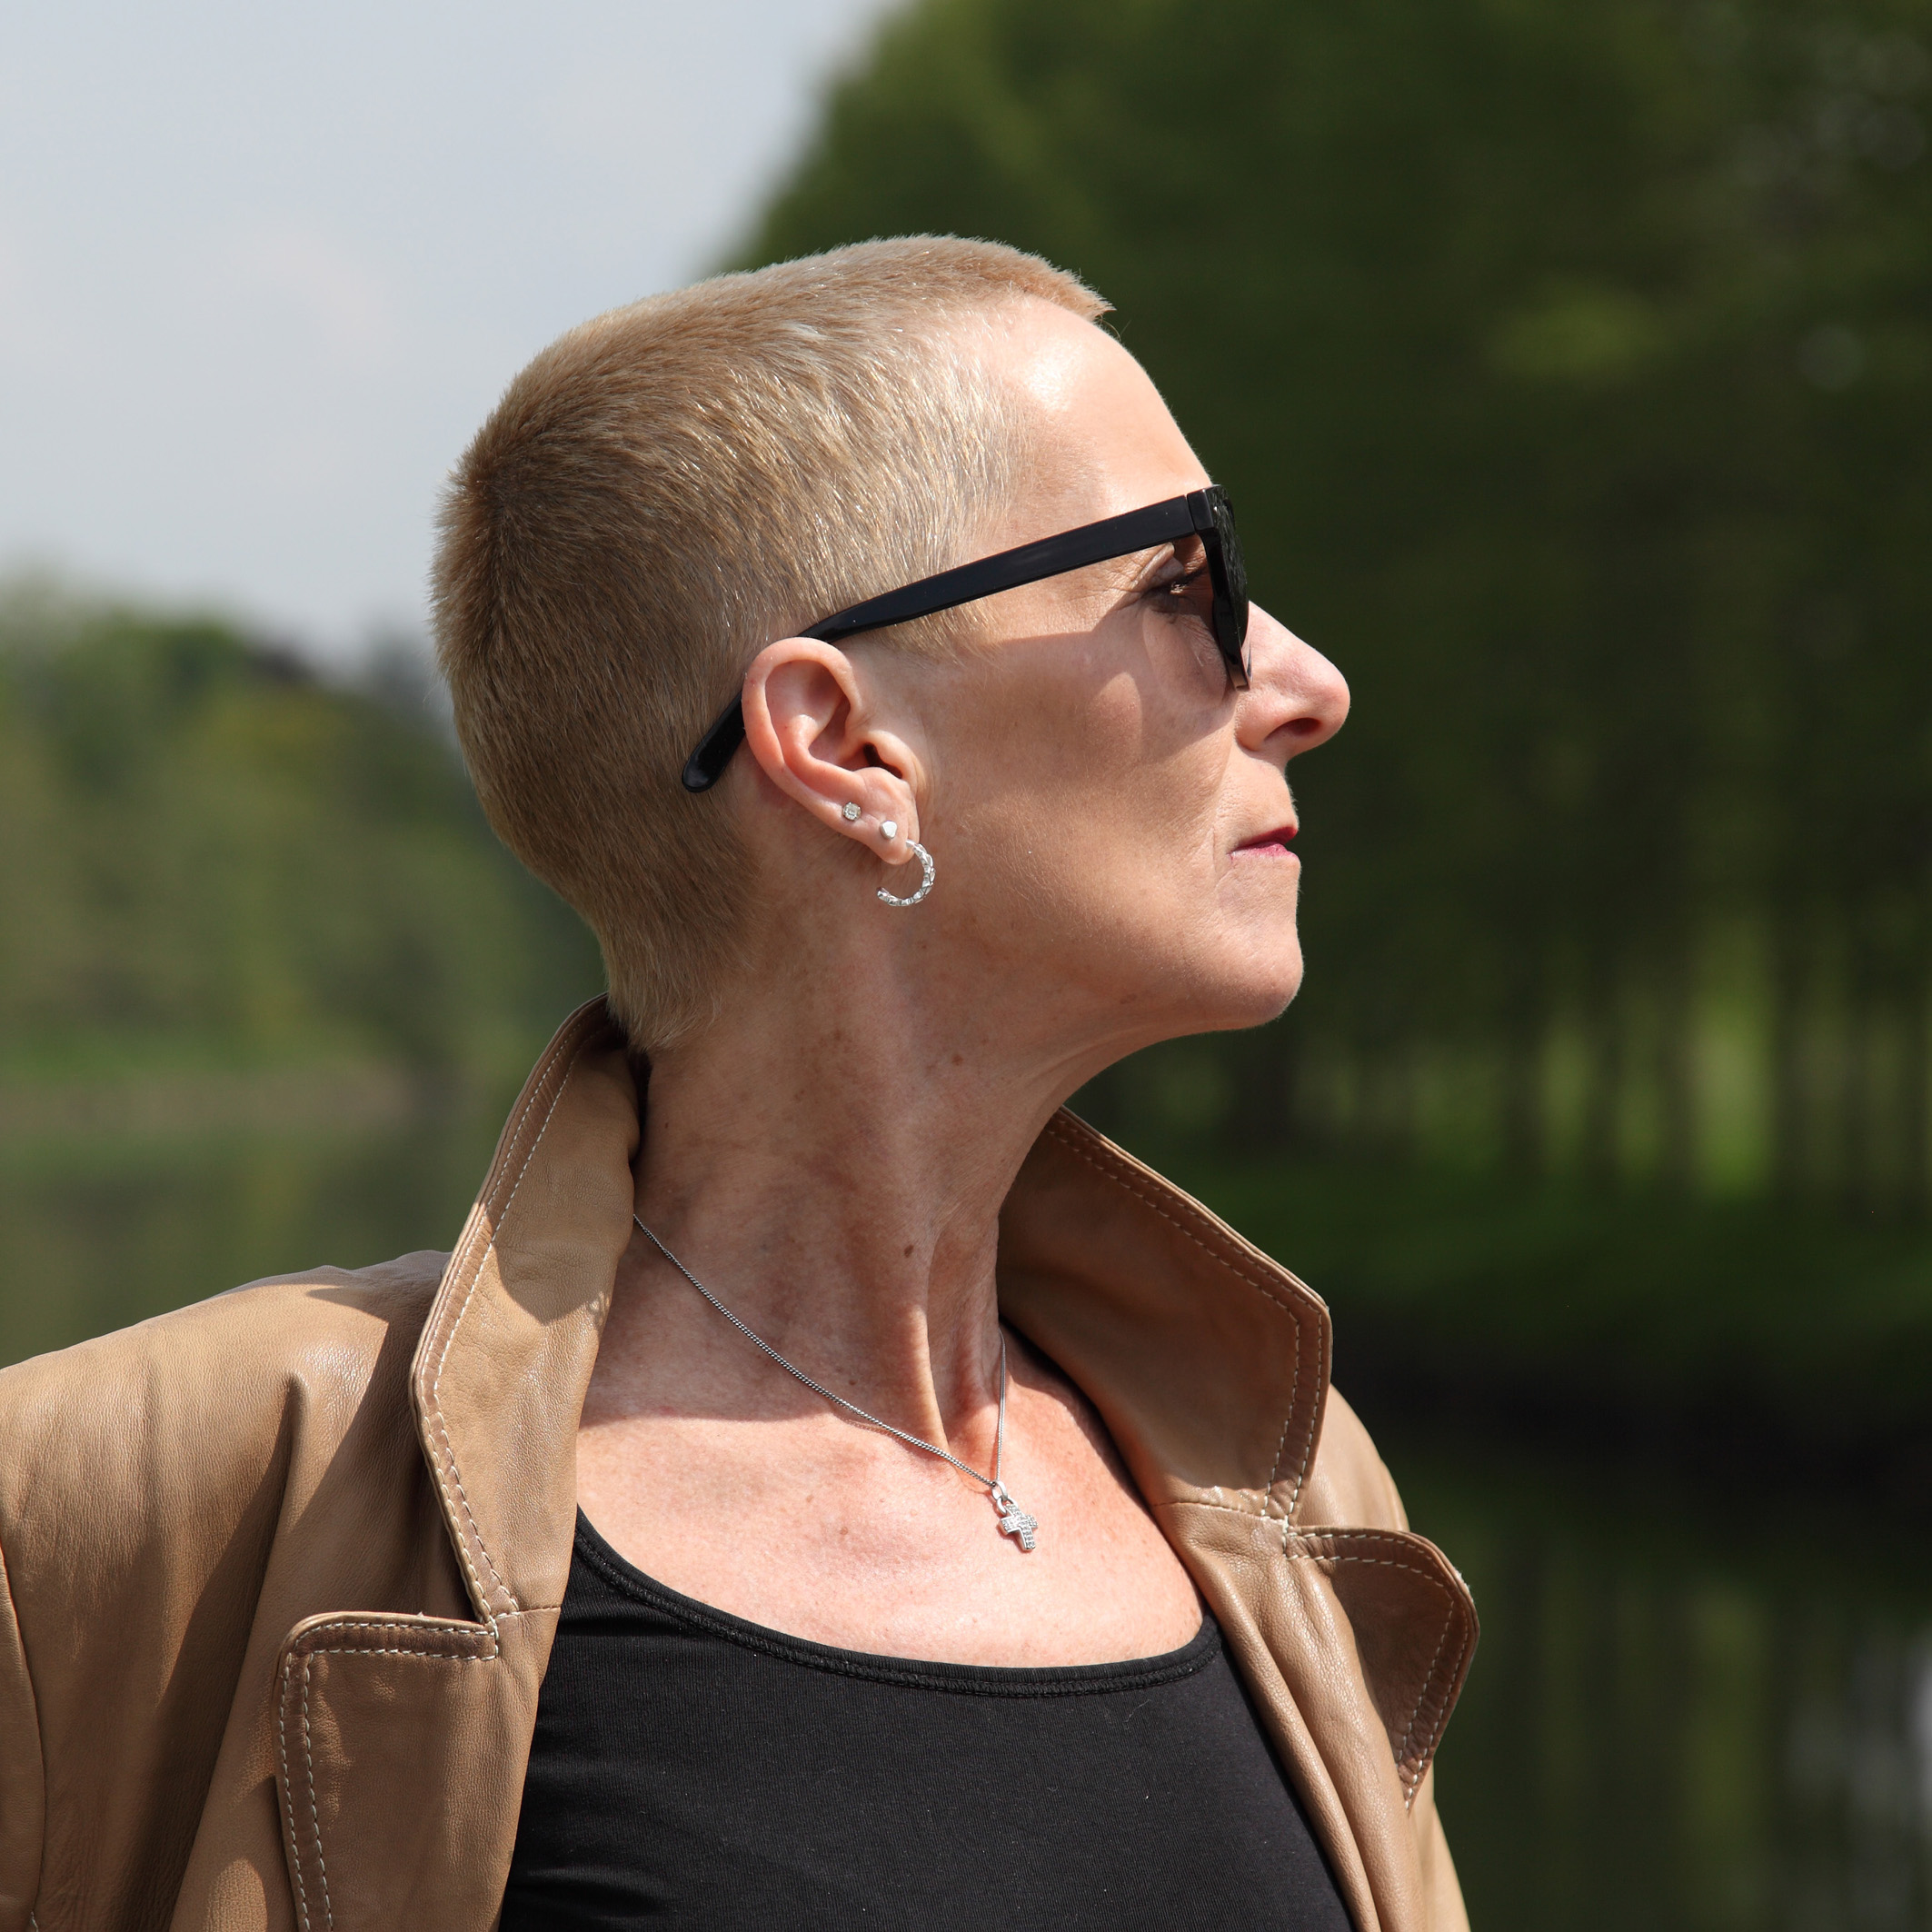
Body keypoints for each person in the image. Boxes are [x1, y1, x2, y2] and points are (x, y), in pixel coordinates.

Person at [0, 237, 1475, 1931]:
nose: (1305, 685)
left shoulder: (1288, 1487)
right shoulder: (126, 1511)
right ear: (843, 745)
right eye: (1180, 584)